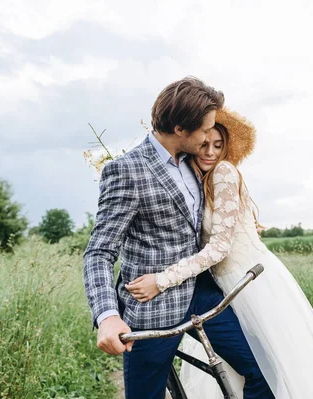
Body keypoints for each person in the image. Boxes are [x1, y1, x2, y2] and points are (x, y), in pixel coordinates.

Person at [126, 107, 313, 398]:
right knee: (249, 365)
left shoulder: (223, 172)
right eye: (204, 144)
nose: (210, 152)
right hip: (224, 283)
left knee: (271, 365)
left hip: (248, 281)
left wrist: (162, 279)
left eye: (218, 145)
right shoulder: (198, 180)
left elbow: (220, 247)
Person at [84, 77, 274, 399]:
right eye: (204, 131)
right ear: (180, 129)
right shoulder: (125, 171)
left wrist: (242, 227)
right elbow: (99, 252)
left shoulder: (193, 162)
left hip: (202, 292)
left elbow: (210, 213)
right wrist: (108, 316)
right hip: (150, 310)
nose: (208, 139)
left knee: (263, 371)